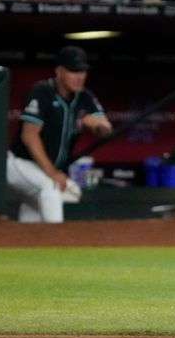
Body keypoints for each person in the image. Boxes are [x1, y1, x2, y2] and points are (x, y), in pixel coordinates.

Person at [6, 46, 112, 223]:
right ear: (60, 71)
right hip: (20, 164)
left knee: (61, 196)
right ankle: (56, 242)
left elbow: (106, 127)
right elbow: (29, 135)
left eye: (83, 71)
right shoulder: (42, 92)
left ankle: (28, 240)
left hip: (44, 170)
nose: (80, 76)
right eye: (74, 71)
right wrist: (53, 172)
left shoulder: (84, 97)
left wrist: (98, 126)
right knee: (51, 187)